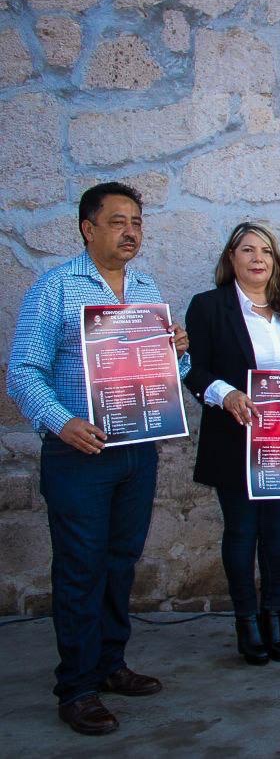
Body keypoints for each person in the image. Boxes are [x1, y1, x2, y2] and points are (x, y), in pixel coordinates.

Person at [6, 183, 190, 735]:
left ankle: (111, 664)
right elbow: (22, 371)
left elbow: (168, 379)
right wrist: (62, 423)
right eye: (117, 221)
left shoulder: (146, 286)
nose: (130, 231)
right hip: (78, 454)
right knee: (80, 569)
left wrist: (177, 355)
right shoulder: (55, 288)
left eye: (136, 221)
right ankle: (77, 687)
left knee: (118, 562)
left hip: (137, 450)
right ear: (88, 228)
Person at [183, 223, 280, 666]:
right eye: (248, 250)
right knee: (242, 532)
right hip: (233, 437)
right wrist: (227, 393)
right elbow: (191, 370)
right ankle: (245, 621)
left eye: (267, 252)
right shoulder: (208, 306)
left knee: (278, 533)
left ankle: (273, 615)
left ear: (275, 262)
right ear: (231, 258)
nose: (258, 258)